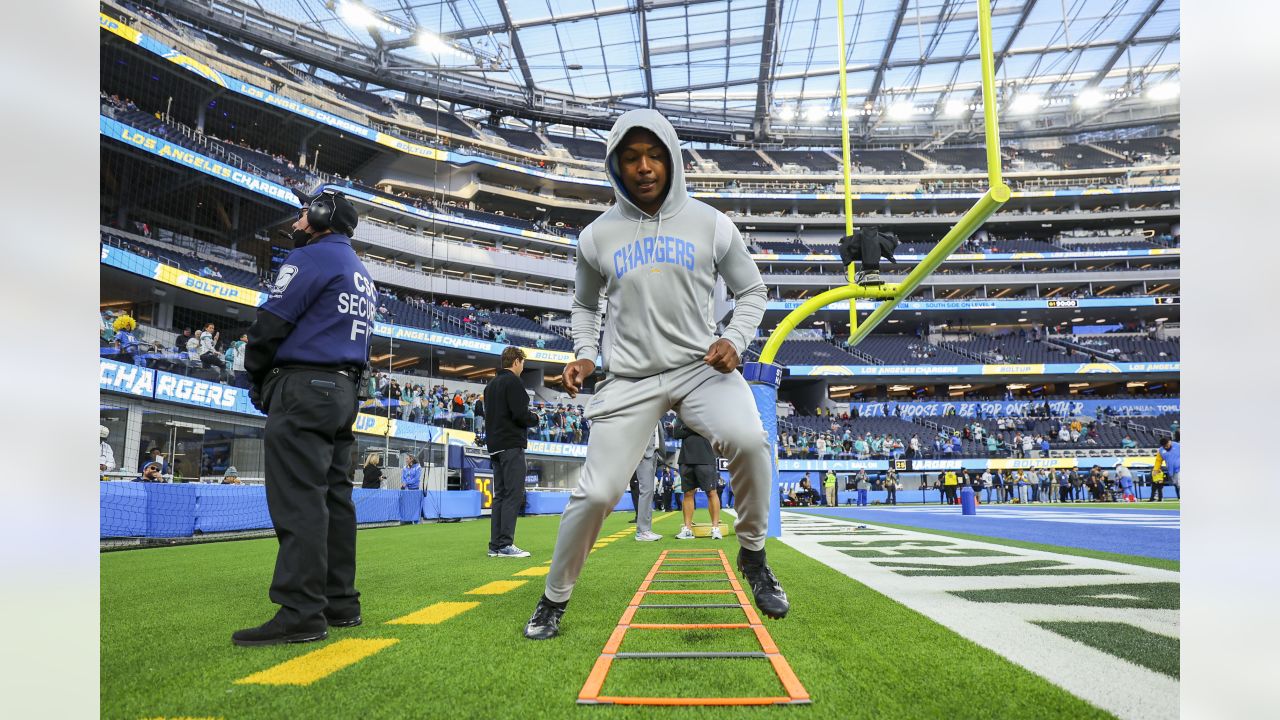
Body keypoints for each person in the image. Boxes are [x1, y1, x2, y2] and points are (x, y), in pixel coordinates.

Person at [525, 109, 784, 641]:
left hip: (699, 368)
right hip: (629, 377)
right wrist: (584, 353)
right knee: (596, 495)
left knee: (750, 440)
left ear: (670, 158)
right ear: (617, 165)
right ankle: (553, 600)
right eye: (631, 157)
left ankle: (753, 554)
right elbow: (583, 305)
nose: (644, 167)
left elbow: (753, 291)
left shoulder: (711, 222)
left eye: (654, 155)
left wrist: (734, 341)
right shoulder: (596, 236)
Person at [234, 190, 370, 647]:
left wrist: (255, 376)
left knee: (300, 500)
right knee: (334, 499)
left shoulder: (311, 260)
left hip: (304, 388)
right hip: (344, 390)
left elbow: (270, 324)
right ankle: (340, 602)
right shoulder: (361, 272)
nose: (296, 222)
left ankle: (301, 611)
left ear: (318, 216)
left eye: (302, 213)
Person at [483, 346, 539, 558]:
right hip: (511, 444)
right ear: (516, 361)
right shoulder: (513, 382)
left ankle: (495, 545)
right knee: (513, 495)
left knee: (500, 496)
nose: (523, 367)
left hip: (495, 445)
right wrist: (535, 418)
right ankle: (506, 544)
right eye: (522, 362)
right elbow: (520, 415)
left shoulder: (490, 385)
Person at [674, 416, 723, 538]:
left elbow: (712, 431)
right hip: (686, 459)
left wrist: (687, 426)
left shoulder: (707, 412)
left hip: (706, 458)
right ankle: (687, 529)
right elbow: (676, 433)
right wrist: (697, 427)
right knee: (688, 493)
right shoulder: (681, 415)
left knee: (711, 492)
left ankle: (715, 528)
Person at [631, 425, 664, 542]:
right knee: (646, 491)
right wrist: (639, 451)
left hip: (653, 454)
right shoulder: (643, 410)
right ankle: (642, 531)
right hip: (644, 455)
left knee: (649, 491)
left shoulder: (656, 413)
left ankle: (646, 530)